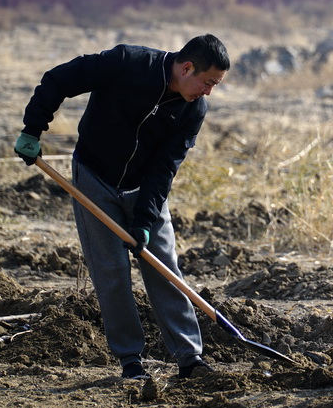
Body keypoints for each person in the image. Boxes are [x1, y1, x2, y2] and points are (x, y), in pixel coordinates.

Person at [14, 34, 230, 380]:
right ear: (187, 67)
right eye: (208, 83)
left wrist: (144, 221)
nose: (209, 92)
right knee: (111, 271)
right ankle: (131, 360)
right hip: (94, 178)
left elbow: (165, 168)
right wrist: (32, 129)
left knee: (164, 269)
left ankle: (190, 358)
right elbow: (61, 78)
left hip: (144, 188)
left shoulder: (193, 109)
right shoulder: (127, 63)